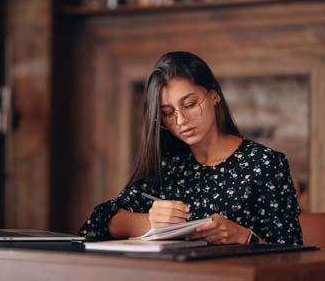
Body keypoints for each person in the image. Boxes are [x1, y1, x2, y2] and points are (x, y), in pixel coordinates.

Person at [79, 51, 303, 245]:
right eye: (168, 113)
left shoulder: (264, 164)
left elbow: (295, 256)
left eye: (190, 104)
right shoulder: (168, 165)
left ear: (214, 95)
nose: (181, 120)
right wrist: (148, 222)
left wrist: (246, 238)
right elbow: (97, 221)